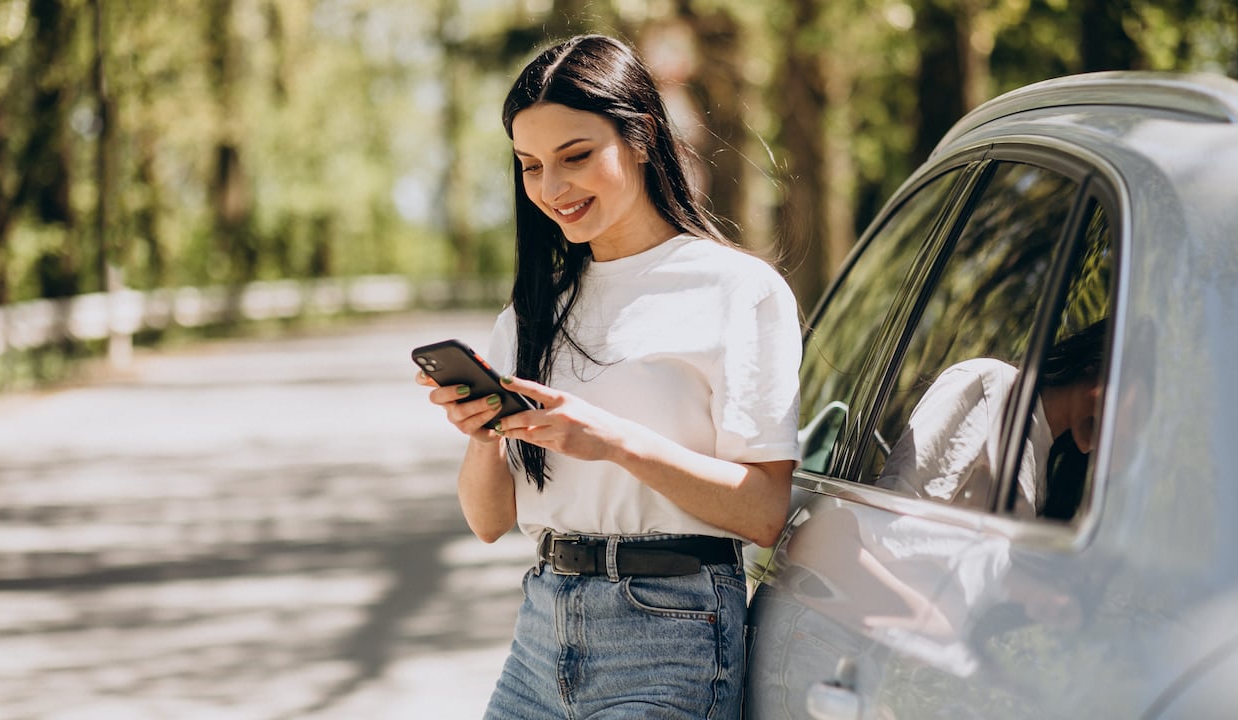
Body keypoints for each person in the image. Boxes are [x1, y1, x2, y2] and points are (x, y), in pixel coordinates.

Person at [416, 34, 801, 719]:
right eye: (530, 166)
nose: (553, 189)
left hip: (671, 631)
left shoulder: (737, 290)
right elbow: (487, 521)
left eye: (577, 157)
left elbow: (765, 513)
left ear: (644, 137)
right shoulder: (535, 312)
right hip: (542, 628)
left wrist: (611, 440)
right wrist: (482, 435)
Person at [878, 319, 1106, 516]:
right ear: (1096, 364)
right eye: (1132, 410)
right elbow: (890, 514)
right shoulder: (991, 388)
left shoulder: (1044, 464)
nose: (1126, 431)